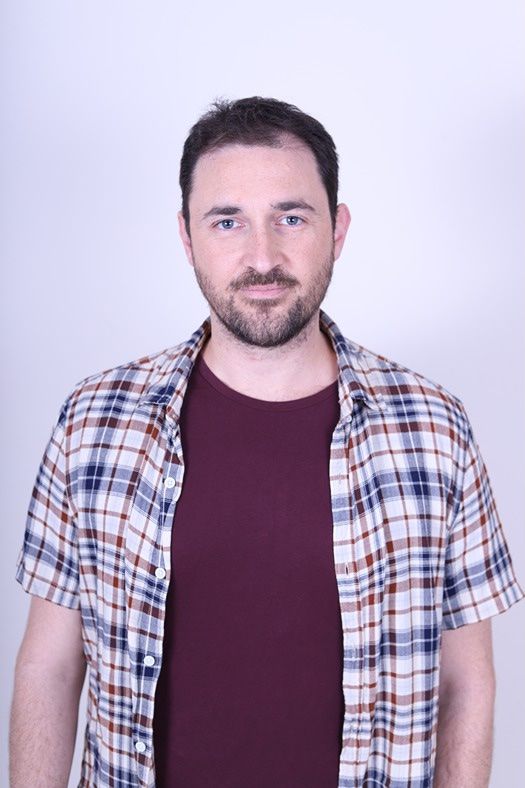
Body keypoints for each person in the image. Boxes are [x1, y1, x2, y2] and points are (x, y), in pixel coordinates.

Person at [9, 96, 523, 788]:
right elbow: (48, 666)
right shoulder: (95, 422)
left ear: (337, 230)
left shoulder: (434, 429)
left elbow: (467, 681)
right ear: (187, 237)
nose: (262, 257)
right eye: (227, 221)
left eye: (291, 217)